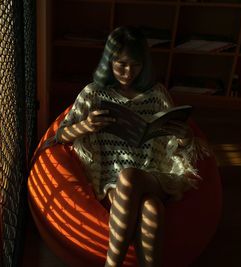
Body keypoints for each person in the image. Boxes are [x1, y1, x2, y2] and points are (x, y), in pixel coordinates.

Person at [47, 26, 208, 266]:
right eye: (121, 64)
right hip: (113, 180)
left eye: (136, 64)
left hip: (154, 175)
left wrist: (185, 137)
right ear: (109, 61)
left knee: (132, 175)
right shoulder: (94, 94)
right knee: (152, 209)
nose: (128, 72)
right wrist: (87, 125)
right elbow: (61, 135)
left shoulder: (156, 95)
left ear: (144, 64)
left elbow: (175, 150)